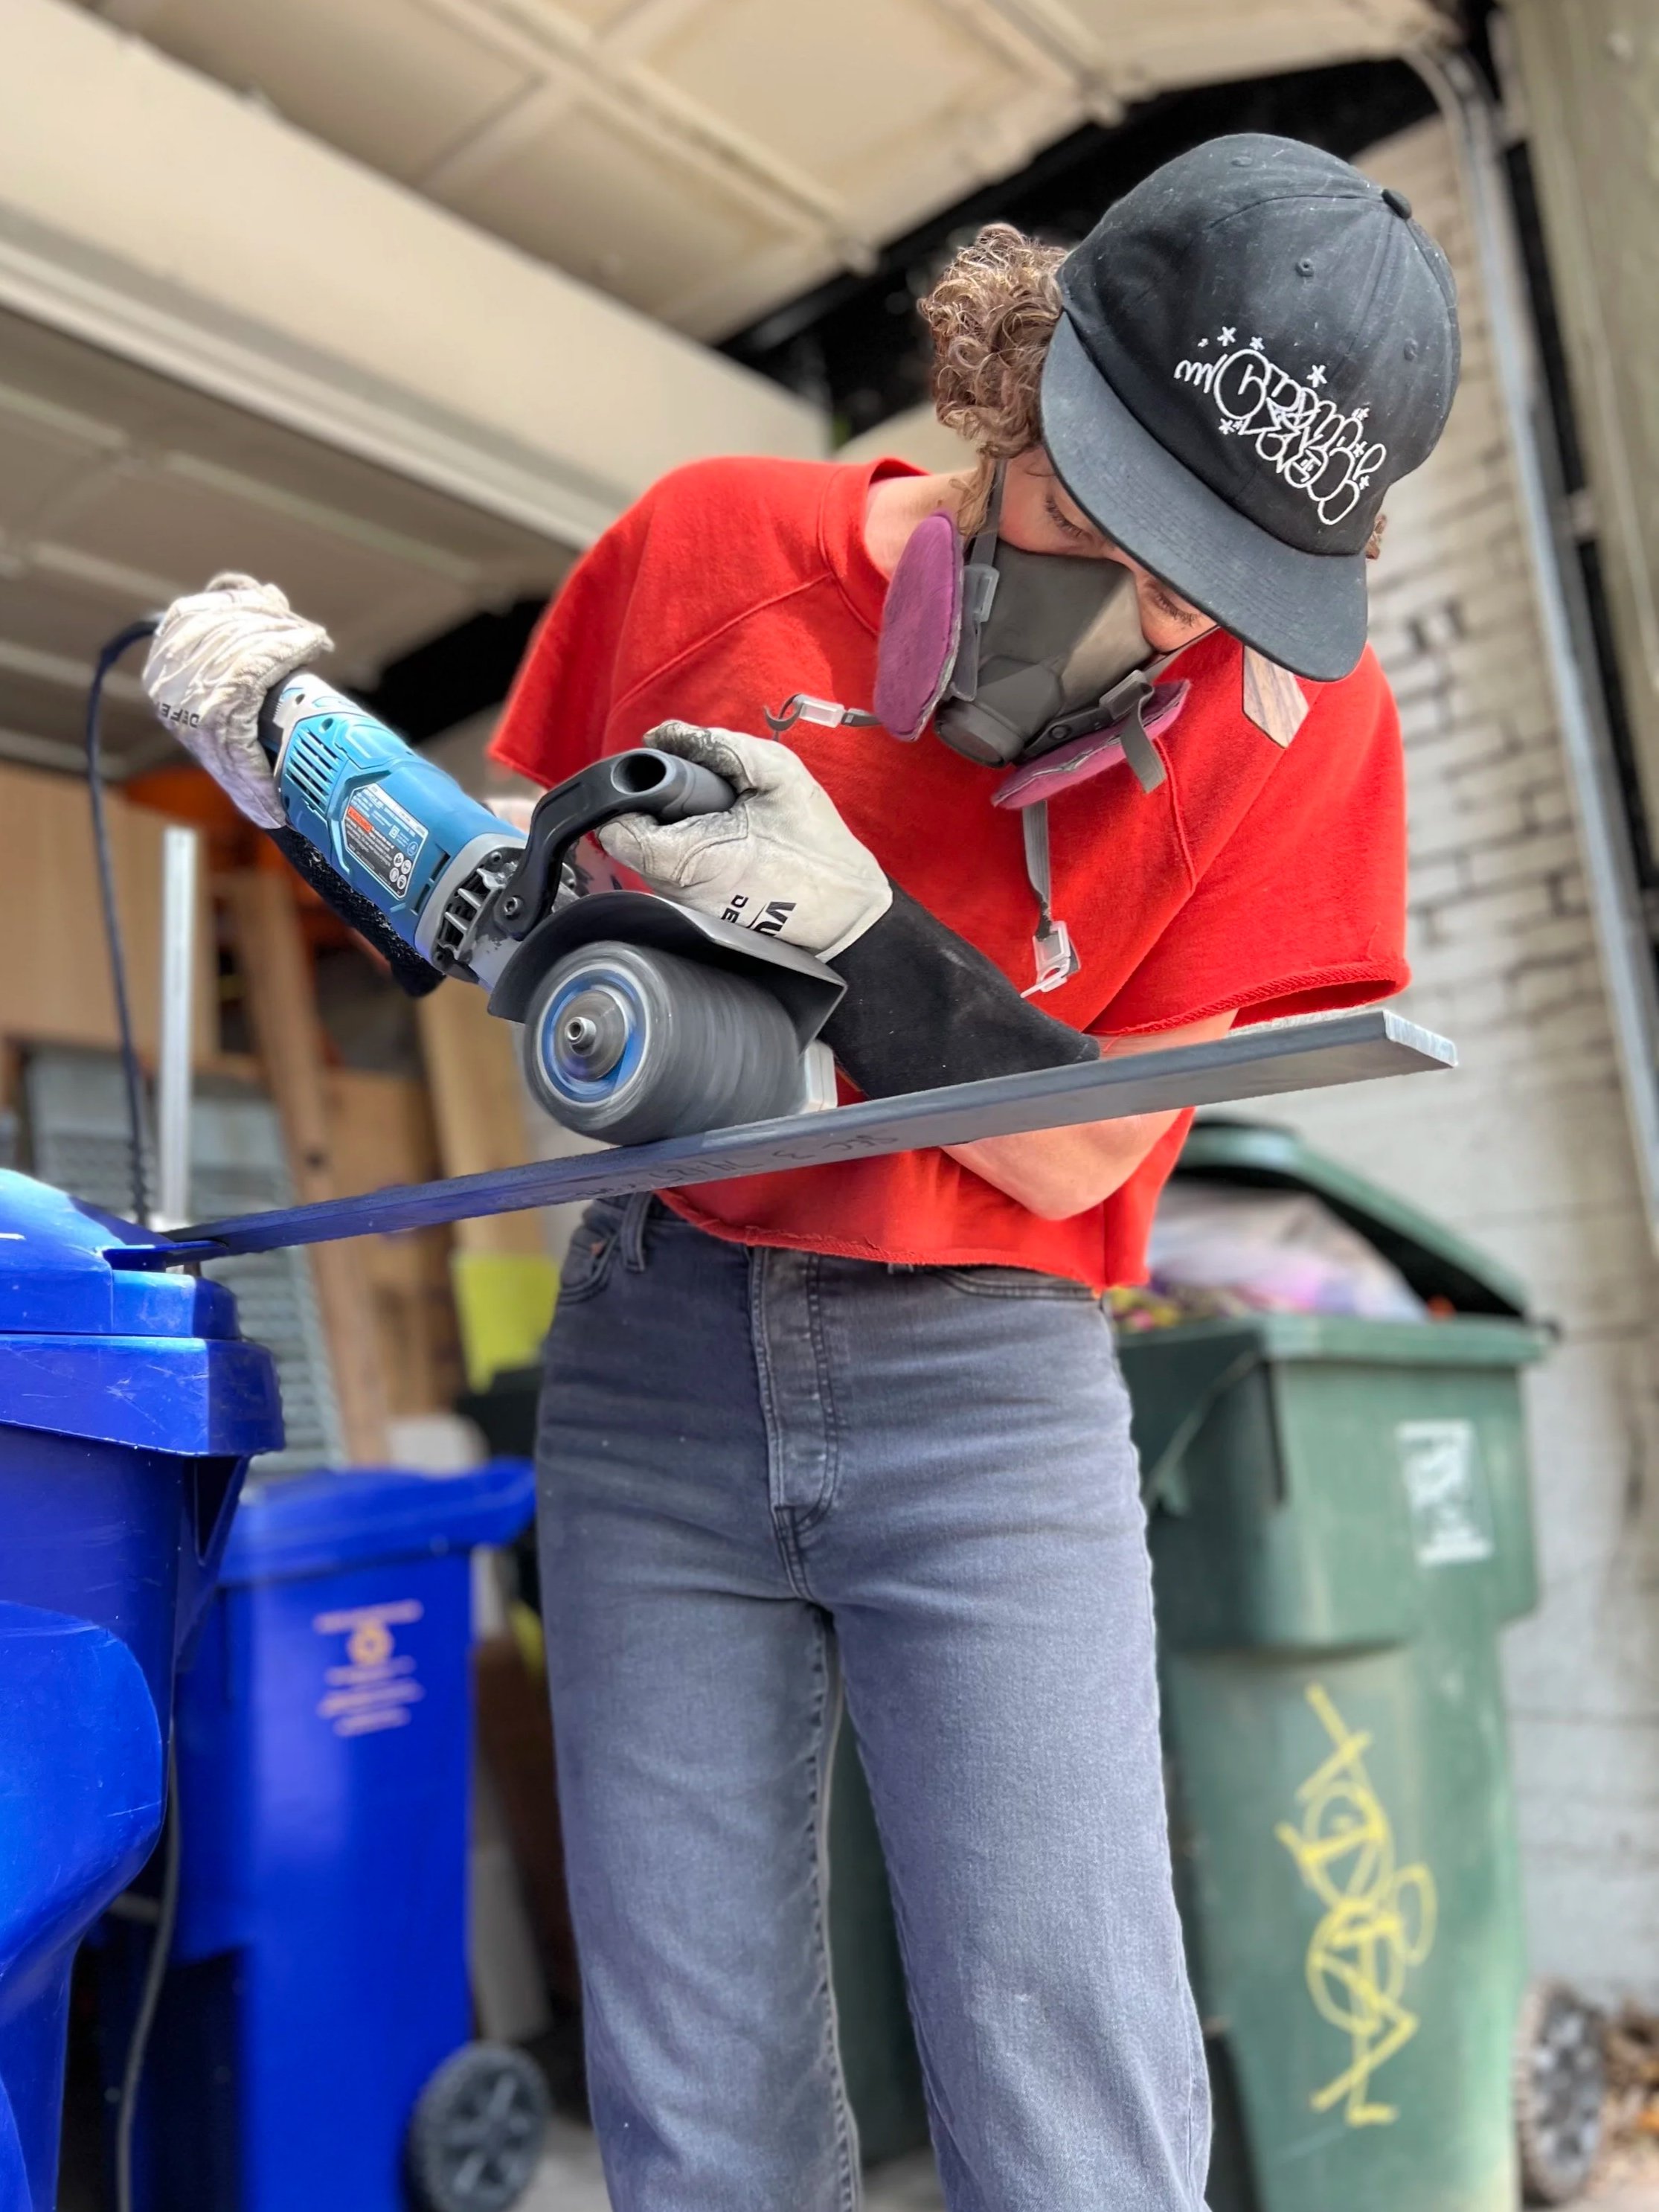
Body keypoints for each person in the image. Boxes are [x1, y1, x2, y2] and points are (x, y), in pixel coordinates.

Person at [143, 133, 1459, 2212]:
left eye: (1215, 586)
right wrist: (301, 757)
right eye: (1106, 523)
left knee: (1074, 2101)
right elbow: (520, 919)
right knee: (702, 2109)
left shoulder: (1301, 729)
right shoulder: (708, 556)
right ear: (1013, 381)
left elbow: (1095, 1141)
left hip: (993, 1396)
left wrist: (855, 940)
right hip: (660, 1361)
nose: (1145, 624)